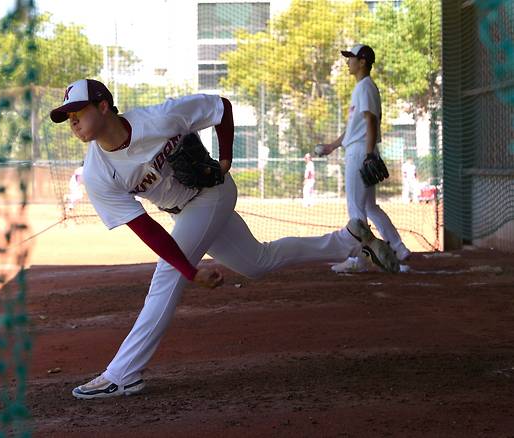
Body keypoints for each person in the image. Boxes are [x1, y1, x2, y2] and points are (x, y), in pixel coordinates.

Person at [50, 78, 399, 400]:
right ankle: (347, 239)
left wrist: (226, 157)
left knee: (166, 276)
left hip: (212, 193)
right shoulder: (98, 173)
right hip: (183, 212)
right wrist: (191, 270)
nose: (72, 122)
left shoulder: (160, 117)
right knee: (257, 263)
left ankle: (122, 373)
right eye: (67, 117)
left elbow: (222, 107)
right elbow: (147, 228)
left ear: (104, 107)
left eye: (77, 112)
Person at [316, 44, 412, 273]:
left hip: (360, 152)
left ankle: (359, 259)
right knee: (369, 206)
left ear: (362, 62)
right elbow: (356, 127)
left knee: (356, 209)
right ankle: (398, 248)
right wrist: (332, 146)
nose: (347, 61)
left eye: (351, 57)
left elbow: (371, 121)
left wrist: (368, 154)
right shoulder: (363, 87)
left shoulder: (364, 87)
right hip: (360, 149)